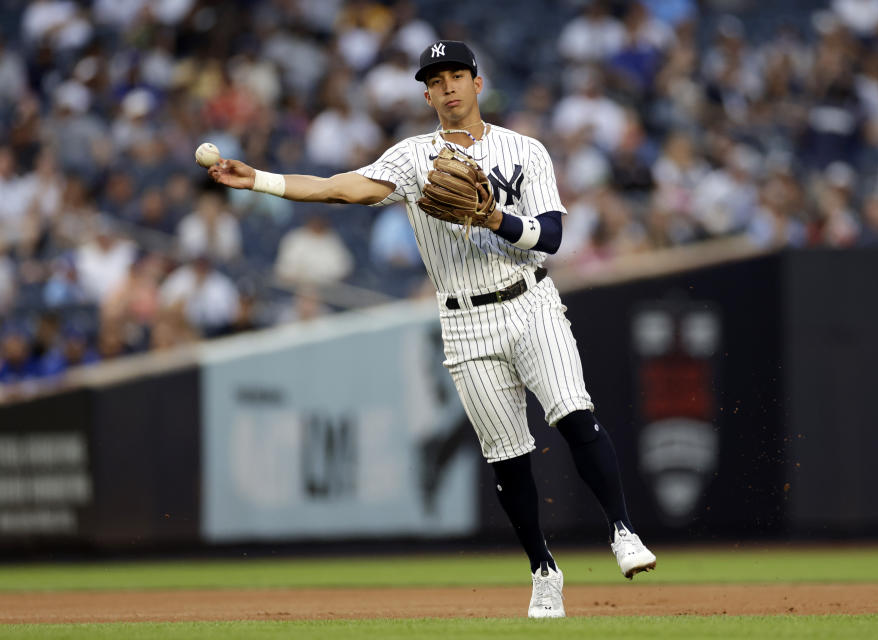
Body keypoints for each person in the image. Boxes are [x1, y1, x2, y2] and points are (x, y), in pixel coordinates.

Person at [207, 40, 656, 619]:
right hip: (464, 318)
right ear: (425, 92)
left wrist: (492, 215)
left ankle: (622, 531)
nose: (447, 86)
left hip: (530, 300)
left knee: (574, 413)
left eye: (456, 75)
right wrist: (259, 181)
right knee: (507, 457)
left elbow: (551, 238)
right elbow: (341, 187)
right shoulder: (413, 157)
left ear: (477, 82)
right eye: (435, 78)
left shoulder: (525, 149)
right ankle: (543, 572)